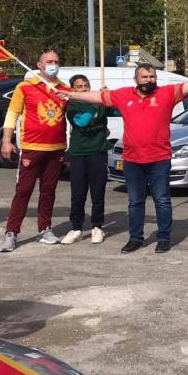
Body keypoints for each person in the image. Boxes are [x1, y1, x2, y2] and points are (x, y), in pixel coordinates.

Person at [65, 63, 188, 254]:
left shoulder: (167, 93)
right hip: (132, 160)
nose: (149, 80)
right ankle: (135, 238)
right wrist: (71, 94)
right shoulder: (123, 95)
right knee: (135, 202)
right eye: (144, 77)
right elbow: (96, 97)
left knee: (162, 200)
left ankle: (163, 238)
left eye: (152, 77)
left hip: (159, 159)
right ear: (136, 79)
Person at [0, 51, 70, 253]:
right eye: (49, 61)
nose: (53, 64)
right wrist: (6, 141)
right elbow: (12, 114)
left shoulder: (65, 89)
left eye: (56, 61)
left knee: (48, 191)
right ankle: (11, 233)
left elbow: (77, 112)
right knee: (23, 191)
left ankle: (44, 229)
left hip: (56, 148)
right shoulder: (25, 87)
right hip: (31, 147)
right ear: (39, 65)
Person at [61, 74, 108, 246]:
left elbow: (113, 113)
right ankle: (76, 228)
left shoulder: (99, 101)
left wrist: (107, 97)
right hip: (79, 153)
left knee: (98, 193)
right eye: (79, 86)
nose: (84, 89)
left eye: (86, 85)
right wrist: (95, 104)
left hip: (98, 152)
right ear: (73, 89)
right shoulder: (72, 105)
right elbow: (81, 122)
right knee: (78, 193)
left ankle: (97, 226)